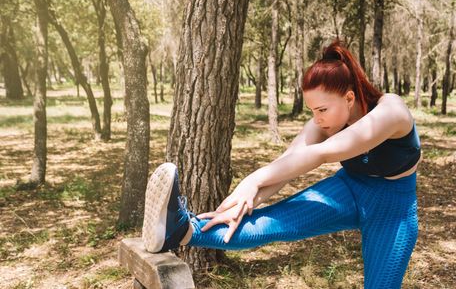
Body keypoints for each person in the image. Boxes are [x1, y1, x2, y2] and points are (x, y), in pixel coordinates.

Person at [142, 39, 421, 288]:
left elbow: (322, 154)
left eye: (322, 109)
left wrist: (251, 180)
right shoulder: (323, 122)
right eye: (313, 110)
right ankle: (179, 229)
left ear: (349, 97)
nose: (318, 118)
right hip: (349, 190)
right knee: (269, 224)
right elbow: (287, 165)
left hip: (393, 210)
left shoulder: (391, 111)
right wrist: (248, 200)